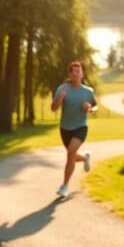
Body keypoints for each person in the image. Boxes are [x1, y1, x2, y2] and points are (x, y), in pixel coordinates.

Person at [50, 61, 97, 198]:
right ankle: (85, 158)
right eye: (73, 71)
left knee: (70, 153)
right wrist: (60, 98)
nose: (75, 74)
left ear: (82, 74)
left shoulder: (88, 91)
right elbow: (53, 108)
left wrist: (90, 108)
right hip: (65, 128)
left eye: (78, 71)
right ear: (69, 74)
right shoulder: (62, 89)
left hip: (81, 127)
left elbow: (95, 107)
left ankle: (64, 186)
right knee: (72, 156)